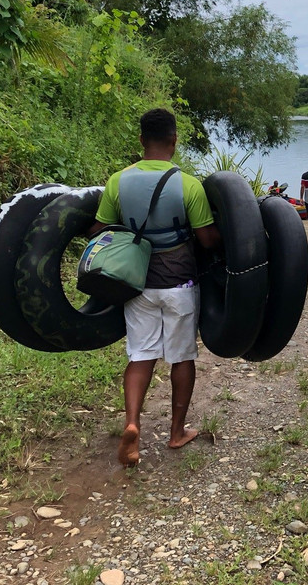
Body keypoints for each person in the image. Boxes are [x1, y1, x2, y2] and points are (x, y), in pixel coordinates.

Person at [88, 108, 221, 467]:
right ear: (174, 141)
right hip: (179, 283)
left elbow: (99, 231)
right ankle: (176, 432)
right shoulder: (189, 185)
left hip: (137, 284)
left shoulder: (118, 181)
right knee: (181, 356)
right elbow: (207, 240)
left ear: (141, 141)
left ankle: (132, 423)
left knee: (141, 354)